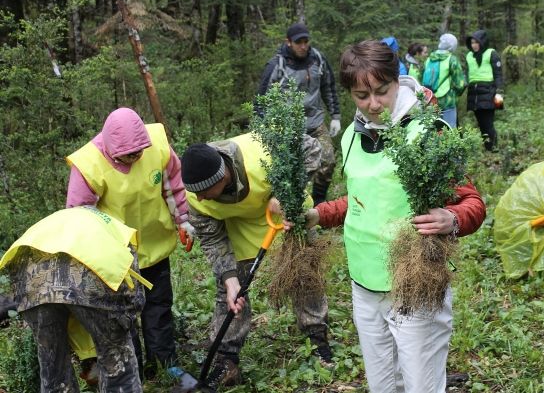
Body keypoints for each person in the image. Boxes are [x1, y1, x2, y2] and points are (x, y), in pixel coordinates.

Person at [299, 40, 486, 393]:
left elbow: (473, 202)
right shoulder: (352, 138)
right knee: (382, 384)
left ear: (397, 80)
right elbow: (361, 201)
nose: (373, 104)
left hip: (413, 284)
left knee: (421, 384)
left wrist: (452, 218)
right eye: (361, 96)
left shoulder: (428, 132)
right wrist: (317, 214)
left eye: (382, 91)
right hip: (364, 283)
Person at [180, 132, 331, 390]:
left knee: (305, 277)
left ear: (222, 176)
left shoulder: (261, 149)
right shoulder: (197, 195)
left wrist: (285, 189)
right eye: (196, 194)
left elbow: (315, 150)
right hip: (240, 227)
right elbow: (212, 239)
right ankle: (226, 361)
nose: (200, 198)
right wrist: (229, 280)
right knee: (230, 294)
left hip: (286, 219)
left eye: (205, 192)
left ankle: (317, 339)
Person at [66, 108, 197, 389]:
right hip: (116, 257)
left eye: (140, 152)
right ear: (112, 151)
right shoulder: (89, 164)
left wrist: (183, 221)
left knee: (159, 307)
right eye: (129, 156)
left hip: (155, 245)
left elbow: (173, 186)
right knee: (122, 317)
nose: (137, 158)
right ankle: (131, 368)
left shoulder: (157, 145)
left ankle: (166, 364)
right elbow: (79, 215)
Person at [0, 206, 147, 392]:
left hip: (32, 282)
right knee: (116, 359)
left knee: (53, 366)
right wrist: (125, 322)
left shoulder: (55, 223)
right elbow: (131, 286)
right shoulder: (117, 232)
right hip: (87, 278)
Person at [255, 22, 341, 206]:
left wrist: (335, 116)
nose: (303, 46)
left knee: (328, 161)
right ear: (288, 42)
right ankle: (292, 204)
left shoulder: (318, 59)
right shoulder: (276, 65)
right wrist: (263, 127)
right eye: (298, 42)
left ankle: (319, 202)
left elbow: (329, 87)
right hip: (289, 127)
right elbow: (262, 98)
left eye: (305, 41)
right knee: (293, 168)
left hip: (316, 123)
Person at [465, 29, 504, 151]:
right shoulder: (469, 56)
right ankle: (488, 147)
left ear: (482, 42)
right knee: (481, 123)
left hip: (489, 92)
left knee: (488, 122)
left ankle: (493, 147)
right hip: (474, 94)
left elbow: (498, 74)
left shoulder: (491, 53)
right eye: (472, 43)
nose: (474, 45)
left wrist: (499, 93)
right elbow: (468, 74)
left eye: (476, 42)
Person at [424, 33, 466, 128]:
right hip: (447, 100)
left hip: (430, 99)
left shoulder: (429, 59)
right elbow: (460, 84)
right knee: (449, 129)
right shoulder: (452, 59)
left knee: (433, 129)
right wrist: (456, 95)